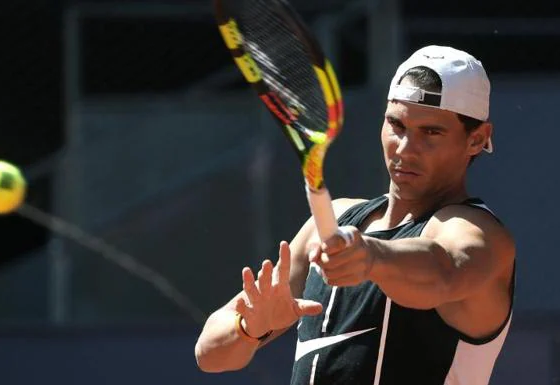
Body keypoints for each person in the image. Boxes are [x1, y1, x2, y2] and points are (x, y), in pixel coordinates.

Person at [194, 45, 516, 385]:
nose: (405, 148)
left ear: (477, 139)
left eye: (431, 132)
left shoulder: (479, 235)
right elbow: (209, 355)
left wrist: (371, 256)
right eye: (396, 124)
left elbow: (443, 270)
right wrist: (249, 328)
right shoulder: (333, 220)